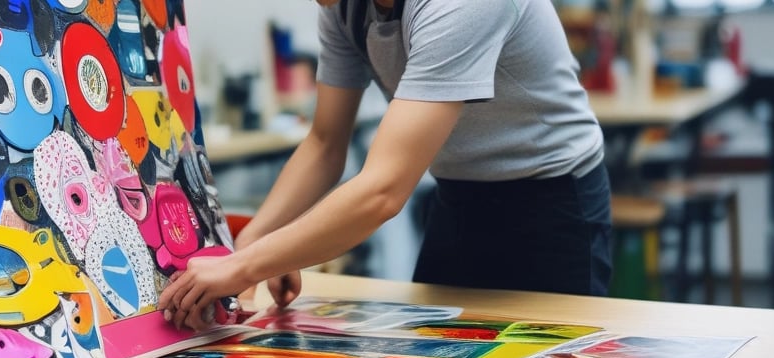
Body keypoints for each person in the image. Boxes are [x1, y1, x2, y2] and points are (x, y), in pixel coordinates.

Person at [160, 0, 611, 330]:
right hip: (458, 196)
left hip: (554, 204)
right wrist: (253, 241)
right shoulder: (341, 8)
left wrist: (245, 267)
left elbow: (382, 190)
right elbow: (323, 144)